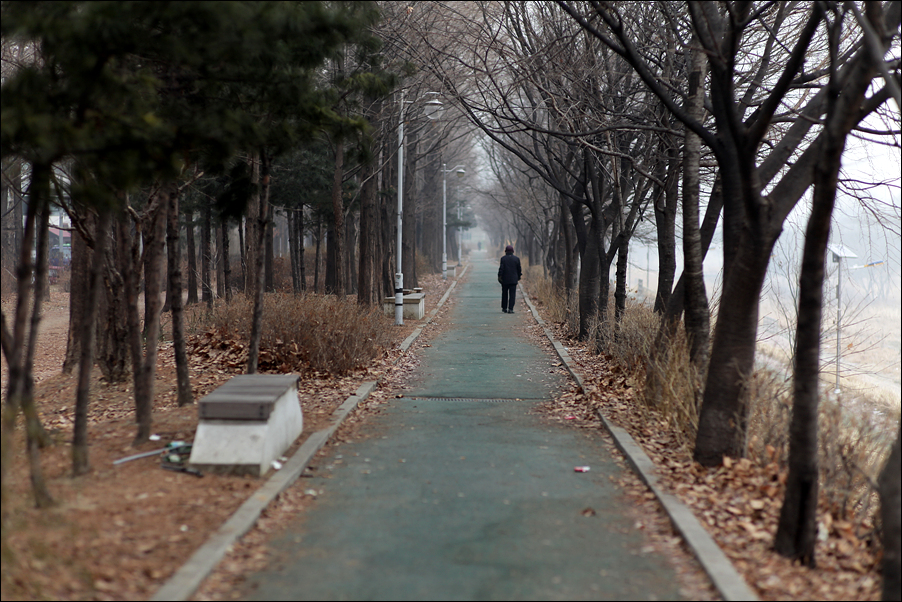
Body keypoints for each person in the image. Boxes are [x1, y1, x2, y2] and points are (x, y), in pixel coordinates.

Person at [497, 244, 521, 313]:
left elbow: (501, 269)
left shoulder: (503, 259)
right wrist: (518, 276)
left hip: (505, 279)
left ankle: (504, 308)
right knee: (512, 294)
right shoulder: (516, 259)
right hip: (513, 279)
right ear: (513, 251)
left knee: (504, 293)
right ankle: (511, 308)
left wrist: (499, 276)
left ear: (506, 251)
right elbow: (519, 269)